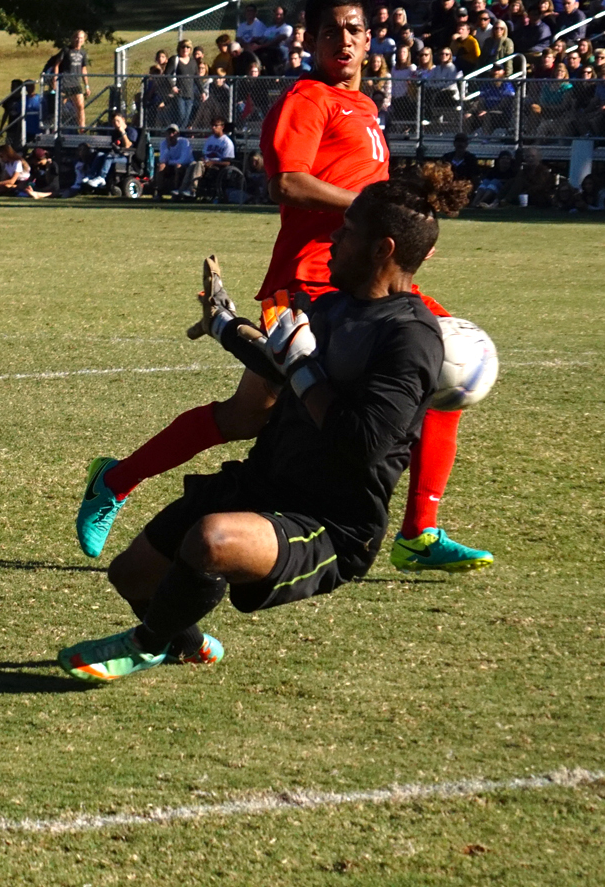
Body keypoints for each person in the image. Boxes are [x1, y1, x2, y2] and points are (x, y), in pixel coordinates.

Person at [76, 0, 493, 575]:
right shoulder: (306, 98)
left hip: (367, 281)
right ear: (313, 41)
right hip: (308, 281)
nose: (343, 41)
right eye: (331, 32)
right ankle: (115, 481)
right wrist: (365, 211)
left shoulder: (367, 106)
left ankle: (419, 532)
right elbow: (288, 183)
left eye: (353, 30)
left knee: (444, 364)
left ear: (369, 38)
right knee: (251, 416)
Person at [59, 166, 471, 681]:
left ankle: (143, 646)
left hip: (329, 521)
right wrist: (225, 326)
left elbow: (360, 443)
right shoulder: (334, 306)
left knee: (212, 541)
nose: (334, 239)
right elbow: (281, 368)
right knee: (132, 575)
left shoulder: (410, 338)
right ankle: (182, 642)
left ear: (381, 249)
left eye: (347, 231)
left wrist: (302, 365)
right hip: (264, 482)